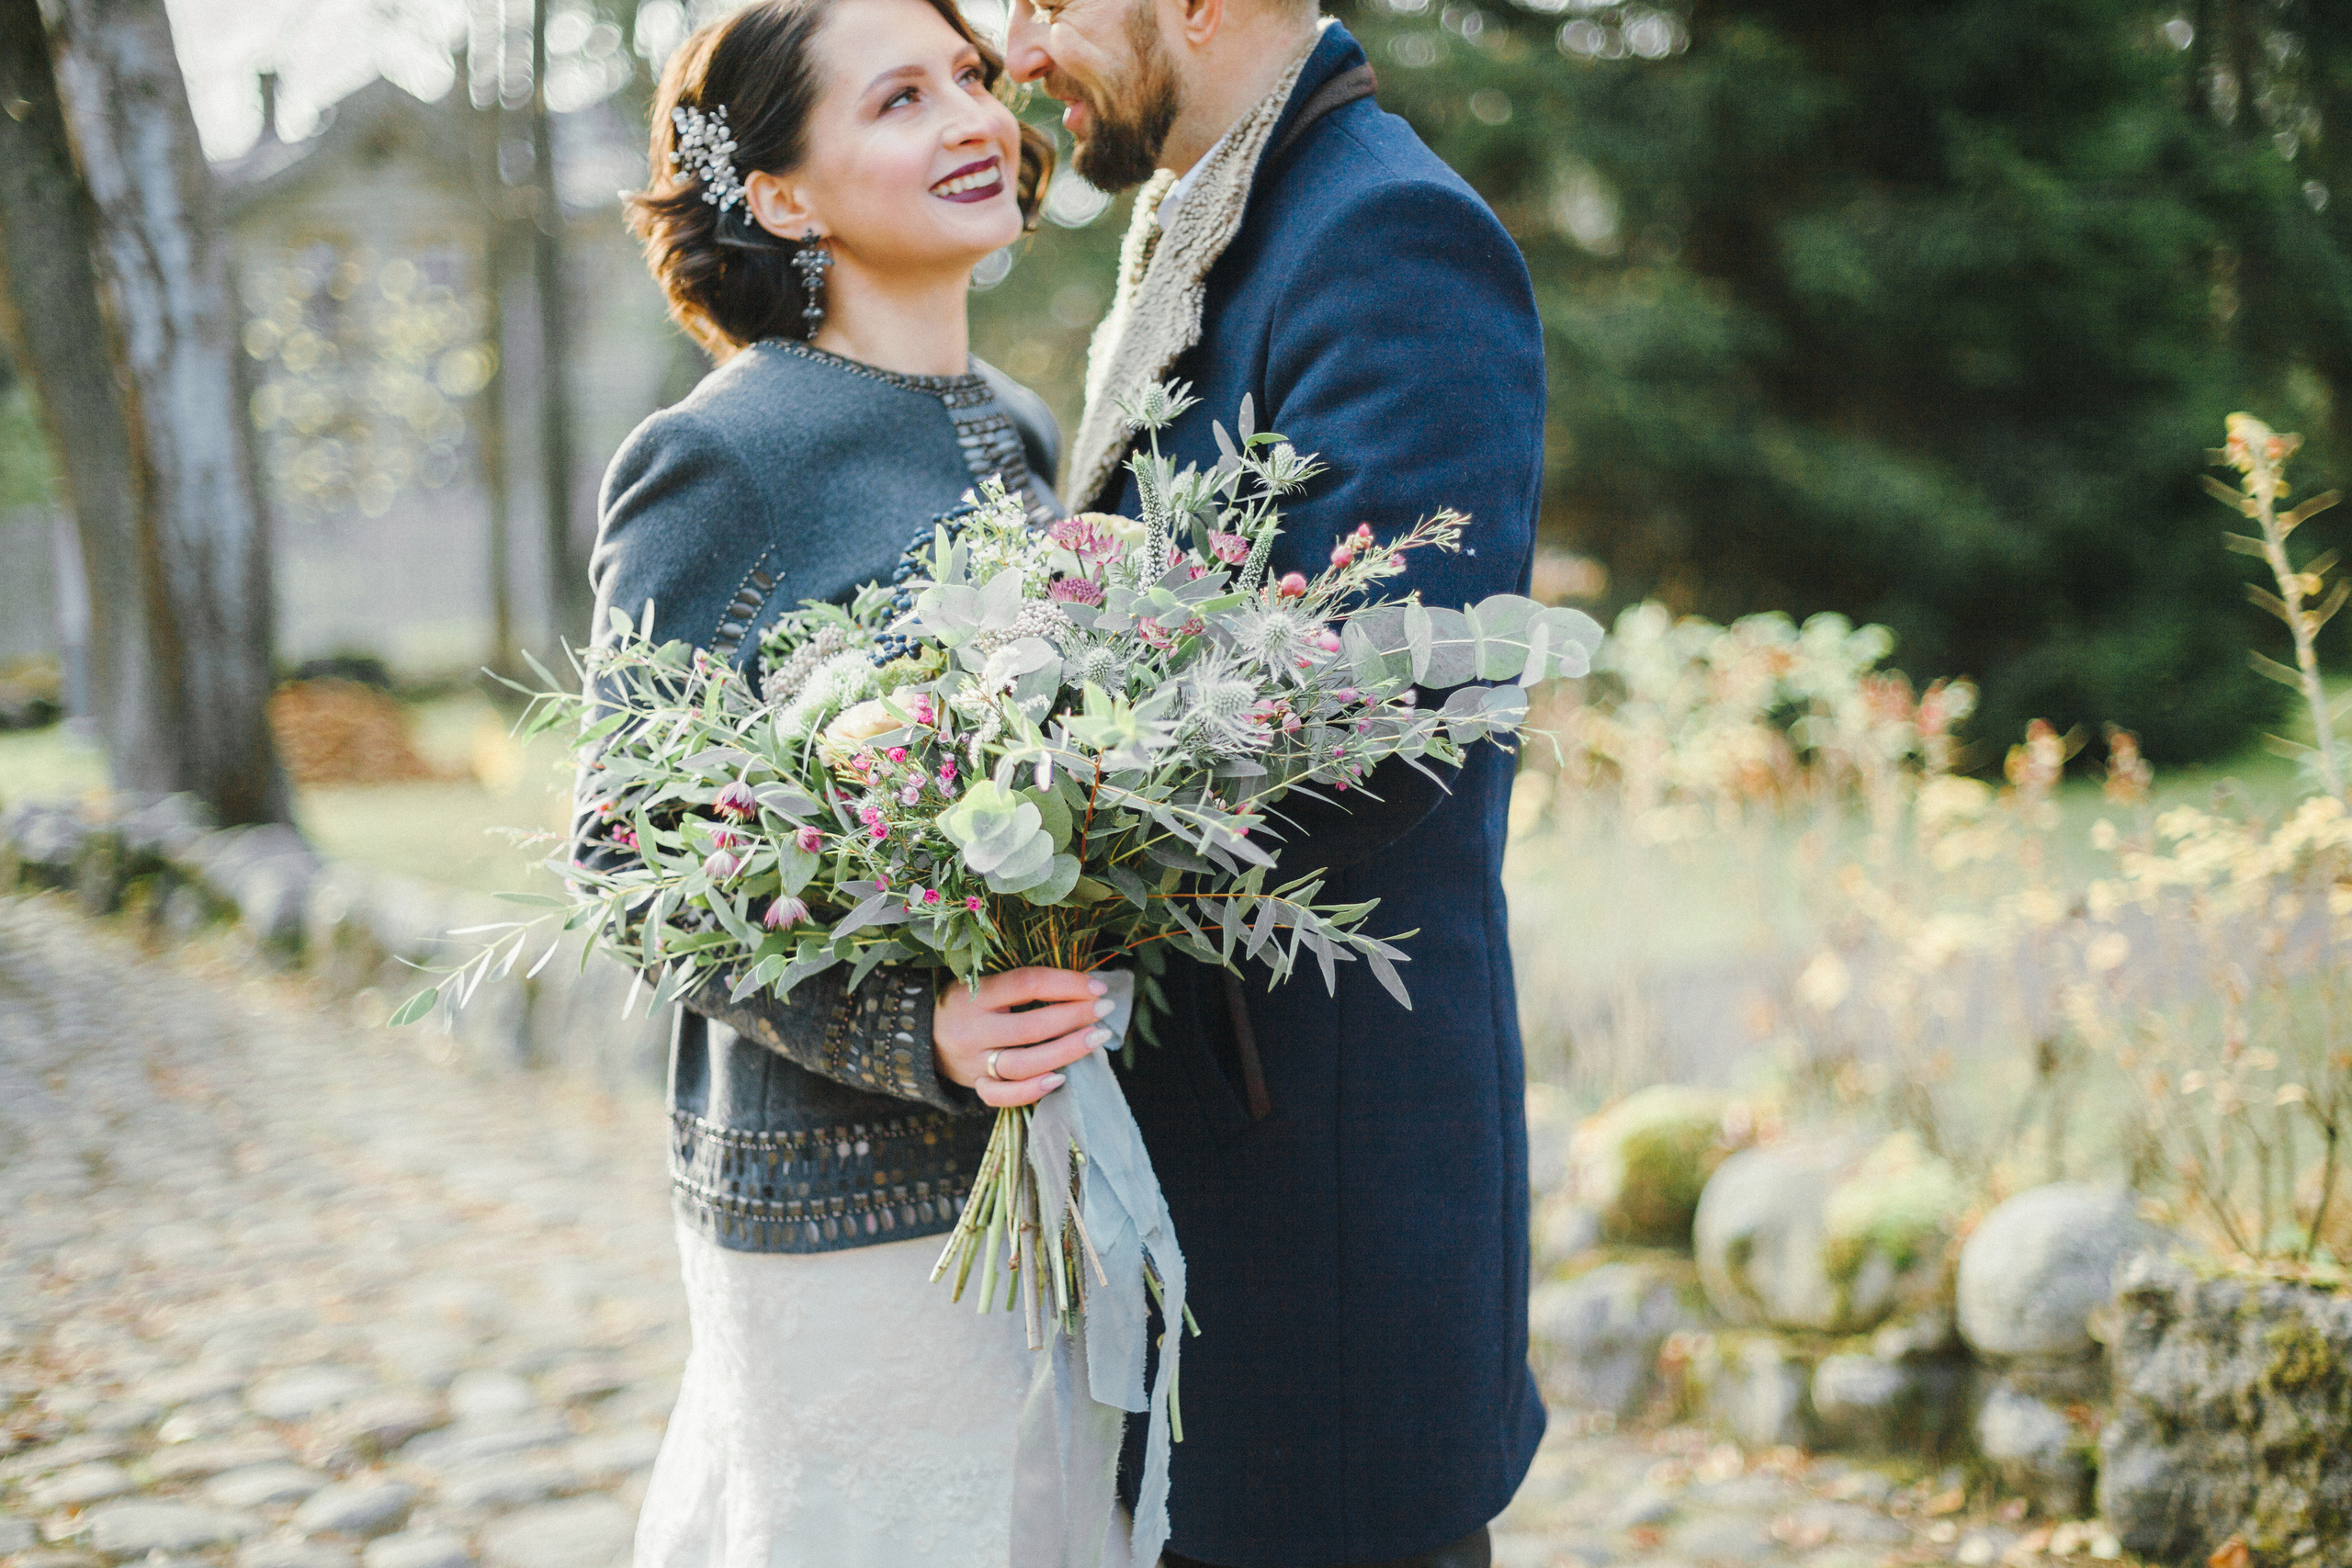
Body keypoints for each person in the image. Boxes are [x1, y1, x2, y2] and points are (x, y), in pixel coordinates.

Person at [1001, 0, 1551, 1563]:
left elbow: (1385, 723)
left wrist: (1050, 807)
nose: (1021, 54)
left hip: (1324, 1175)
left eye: (1047, 1)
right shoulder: (1212, 225)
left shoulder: (1387, 236)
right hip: (1200, 1160)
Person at [586, 3, 1109, 1561]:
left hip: (1061, 1179)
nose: (974, 118)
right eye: (898, 99)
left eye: (966, 77)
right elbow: (631, 860)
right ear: (785, 196)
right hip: (847, 1215)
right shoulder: (722, 457)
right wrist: (915, 1027)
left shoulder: (1016, 426)